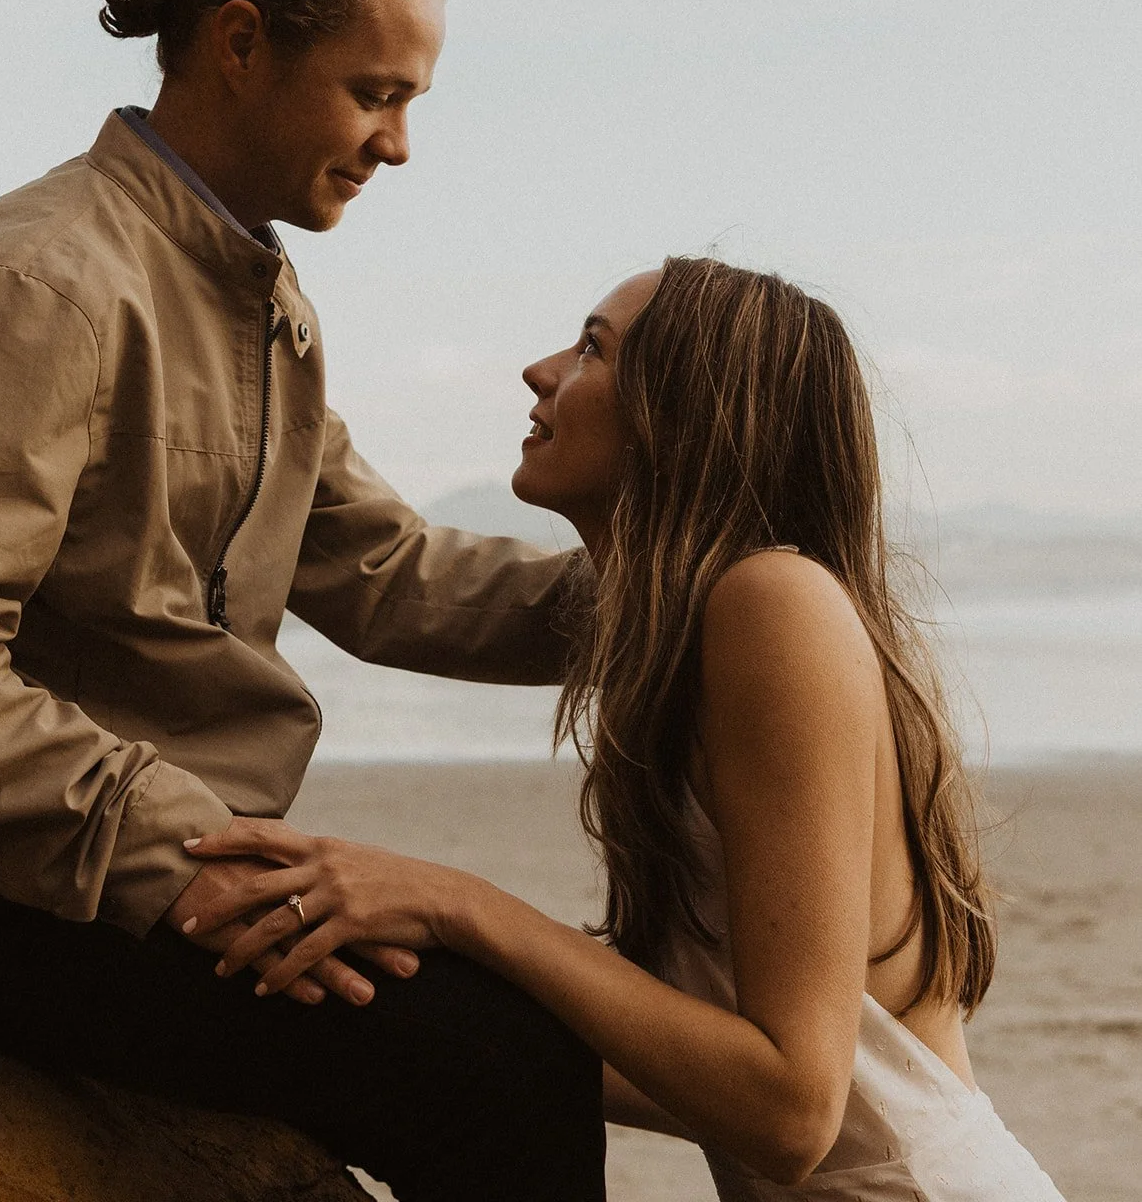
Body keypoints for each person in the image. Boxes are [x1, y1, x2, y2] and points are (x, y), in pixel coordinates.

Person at [0, 0, 606, 1202]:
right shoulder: (31, 285)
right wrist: (207, 861)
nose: (398, 143)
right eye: (376, 91)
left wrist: (674, 608)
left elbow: (387, 572)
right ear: (239, 43)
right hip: (2, 892)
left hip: (146, 867)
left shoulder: (252, 294)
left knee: (528, 1020)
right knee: (496, 1067)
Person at [187, 257, 1067, 1200]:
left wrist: (459, 906)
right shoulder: (689, 638)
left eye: (593, 349)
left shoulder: (772, 601)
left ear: (684, 413)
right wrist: (390, 997)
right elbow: (698, 1073)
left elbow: (792, 1113)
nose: (542, 369)